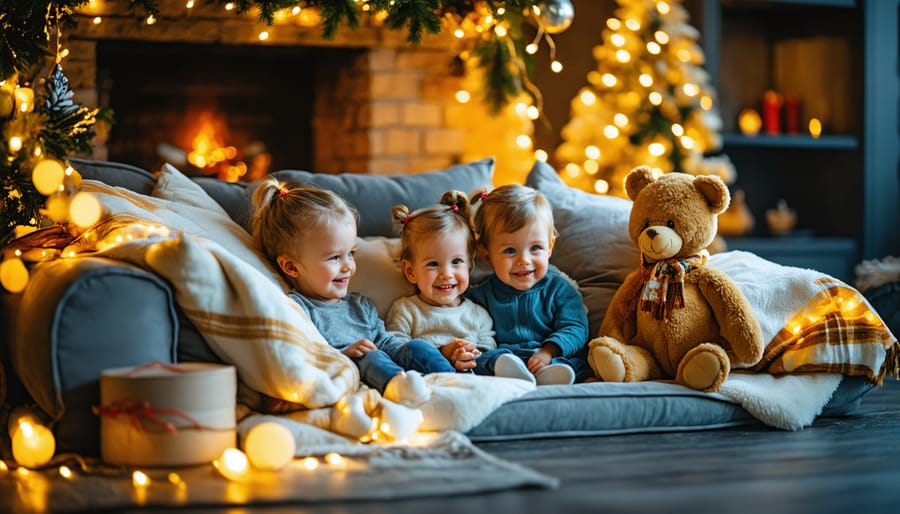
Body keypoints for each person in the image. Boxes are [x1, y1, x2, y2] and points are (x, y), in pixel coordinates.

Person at [250, 177, 455, 407]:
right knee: (370, 356)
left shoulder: (360, 305)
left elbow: (385, 341)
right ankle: (401, 391)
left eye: (351, 254)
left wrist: (412, 351)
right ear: (291, 267)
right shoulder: (299, 309)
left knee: (418, 346)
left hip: (390, 364)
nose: (348, 266)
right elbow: (308, 356)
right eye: (335, 257)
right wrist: (345, 354)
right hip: (358, 376)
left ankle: (457, 384)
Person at [386, 190, 533, 381]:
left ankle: (515, 373)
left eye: (456, 262)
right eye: (433, 264)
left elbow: (488, 342)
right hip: (432, 374)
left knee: (498, 354)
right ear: (411, 271)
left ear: (469, 265)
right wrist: (443, 353)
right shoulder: (406, 310)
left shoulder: (477, 313)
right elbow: (397, 350)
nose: (446, 274)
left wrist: (473, 352)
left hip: (473, 372)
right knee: (416, 348)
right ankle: (450, 375)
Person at [466, 184, 592, 385]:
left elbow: (576, 327)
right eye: (509, 251)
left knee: (578, 362)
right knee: (482, 359)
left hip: (551, 357)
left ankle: (551, 375)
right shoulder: (480, 297)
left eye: (535, 248)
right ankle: (510, 373)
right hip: (507, 358)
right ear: (486, 254)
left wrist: (548, 352)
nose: (524, 260)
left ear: (549, 246)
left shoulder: (559, 289)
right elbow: (466, 329)